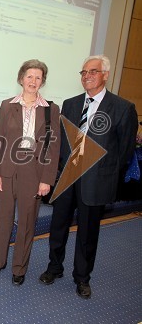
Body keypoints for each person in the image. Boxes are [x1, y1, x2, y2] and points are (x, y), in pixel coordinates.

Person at [39, 55, 138, 299]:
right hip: (67, 178)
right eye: (83, 72)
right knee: (58, 225)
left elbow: (125, 151)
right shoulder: (71, 104)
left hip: (96, 181)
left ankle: (82, 278)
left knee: (88, 232)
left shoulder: (123, 108)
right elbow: (62, 141)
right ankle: (54, 268)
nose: (87, 76)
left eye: (93, 71)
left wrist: (106, 175)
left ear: (106, 74)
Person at [0, 59, 60, 286]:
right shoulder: (8, 105)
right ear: (21, 78)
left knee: (27, 222)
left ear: (42, 82)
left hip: (34, 172)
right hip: (7, 169)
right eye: (29, 76)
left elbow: (53, 147)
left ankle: (19, 268)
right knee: (3, 220)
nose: (33, 81)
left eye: (38, 77)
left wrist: (47, 180)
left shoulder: (51, 109)